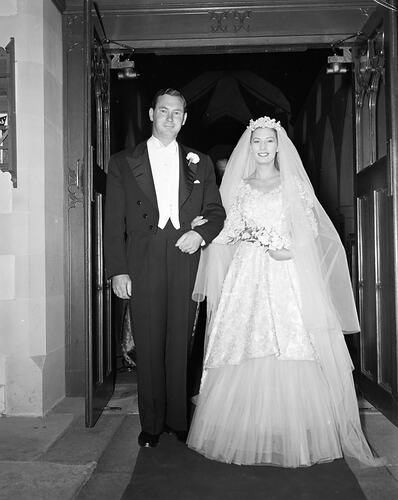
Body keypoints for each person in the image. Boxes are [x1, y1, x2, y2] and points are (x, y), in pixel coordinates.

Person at [187, 116, 379, 467]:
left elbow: (310, 229)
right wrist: (206, 229)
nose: (262, 147)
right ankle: (250, 426)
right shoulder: (241, 186)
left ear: (279, 146)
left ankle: (293, 426)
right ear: (249, 145)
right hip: (247, 274)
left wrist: (290, 249)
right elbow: (231, 230)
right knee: (244, 343)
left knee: (291, 345)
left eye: (268, 141)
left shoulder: (293, 184)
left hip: (285, 274)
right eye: (256, 141)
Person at [104, 88, 226, 448]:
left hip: (185, 256)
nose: (170, 118)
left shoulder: (200, 161)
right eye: (163, 111)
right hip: (142, 258)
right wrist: (118, 270)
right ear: (151, 115)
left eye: (177, 113)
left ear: (184, 119)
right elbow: (113, 224)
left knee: (179, 342)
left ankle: (178, 420)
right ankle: (152, 424)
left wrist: (200, 235)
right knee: (149, 341)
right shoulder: (123, 162)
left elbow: (217, 213)